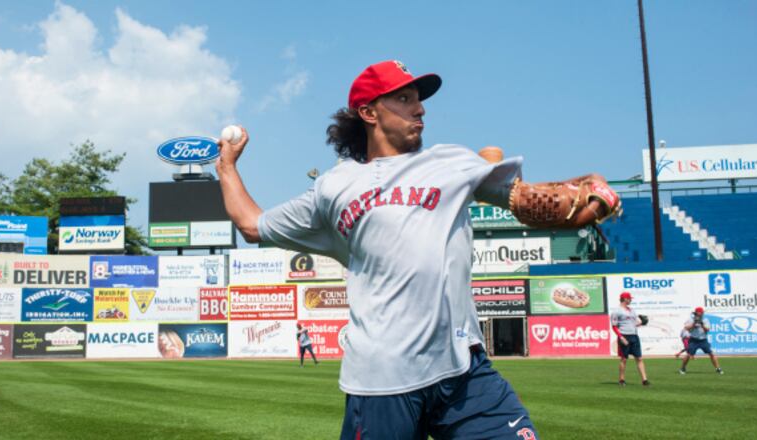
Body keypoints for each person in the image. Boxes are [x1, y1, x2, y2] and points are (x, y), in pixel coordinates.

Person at [216, 60, 619, 439]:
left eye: (419, 99)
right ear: (369, 113)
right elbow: (252, 225)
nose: (420, 109)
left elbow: (528, 200)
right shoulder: (333, 187)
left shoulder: (452, 162)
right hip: (381, 382)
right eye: (404, 99)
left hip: (464, 371)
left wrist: (582, 198)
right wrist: (227, 168)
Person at [610, 292, 649, 386]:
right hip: (624, 335)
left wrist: (641, 323)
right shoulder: (616, 311)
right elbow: (614, 326)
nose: (631, 300)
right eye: (629, 298)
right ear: (625, 299)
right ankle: (621, 379)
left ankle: (644, 380)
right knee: (624, 359)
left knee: (639, 358)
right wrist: (621, 337)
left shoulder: (632, 310)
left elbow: (633, 324)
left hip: (634, 336)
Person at [679, 307, 723, 375]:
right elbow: (686, 328)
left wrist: (702, 324)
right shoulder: (691, 319)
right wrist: (694, 324)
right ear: (696, 313)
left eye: (702, 313)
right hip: (693, 340)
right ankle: (682, 368)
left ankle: (718, 368)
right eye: (699, 313)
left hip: (703, 340)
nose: (701, 314)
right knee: (688, 354)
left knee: (711, 353)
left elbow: (707, 330)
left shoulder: (705, 320)